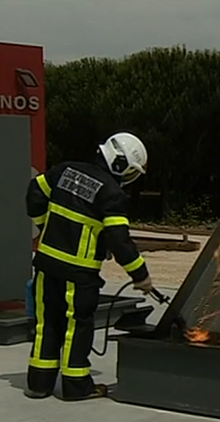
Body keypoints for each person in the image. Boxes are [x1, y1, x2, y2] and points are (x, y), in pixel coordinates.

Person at [24, 131, 154, 401]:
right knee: (78, 326)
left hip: (47, 264)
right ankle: (75, 385)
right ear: (121, 166)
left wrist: (42, 225)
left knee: (46, 322)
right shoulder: (112, 194)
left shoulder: (65, 170)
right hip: (79, 273)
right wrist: (141, 276)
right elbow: (119, 241)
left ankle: (39, 383)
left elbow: (34, 192)